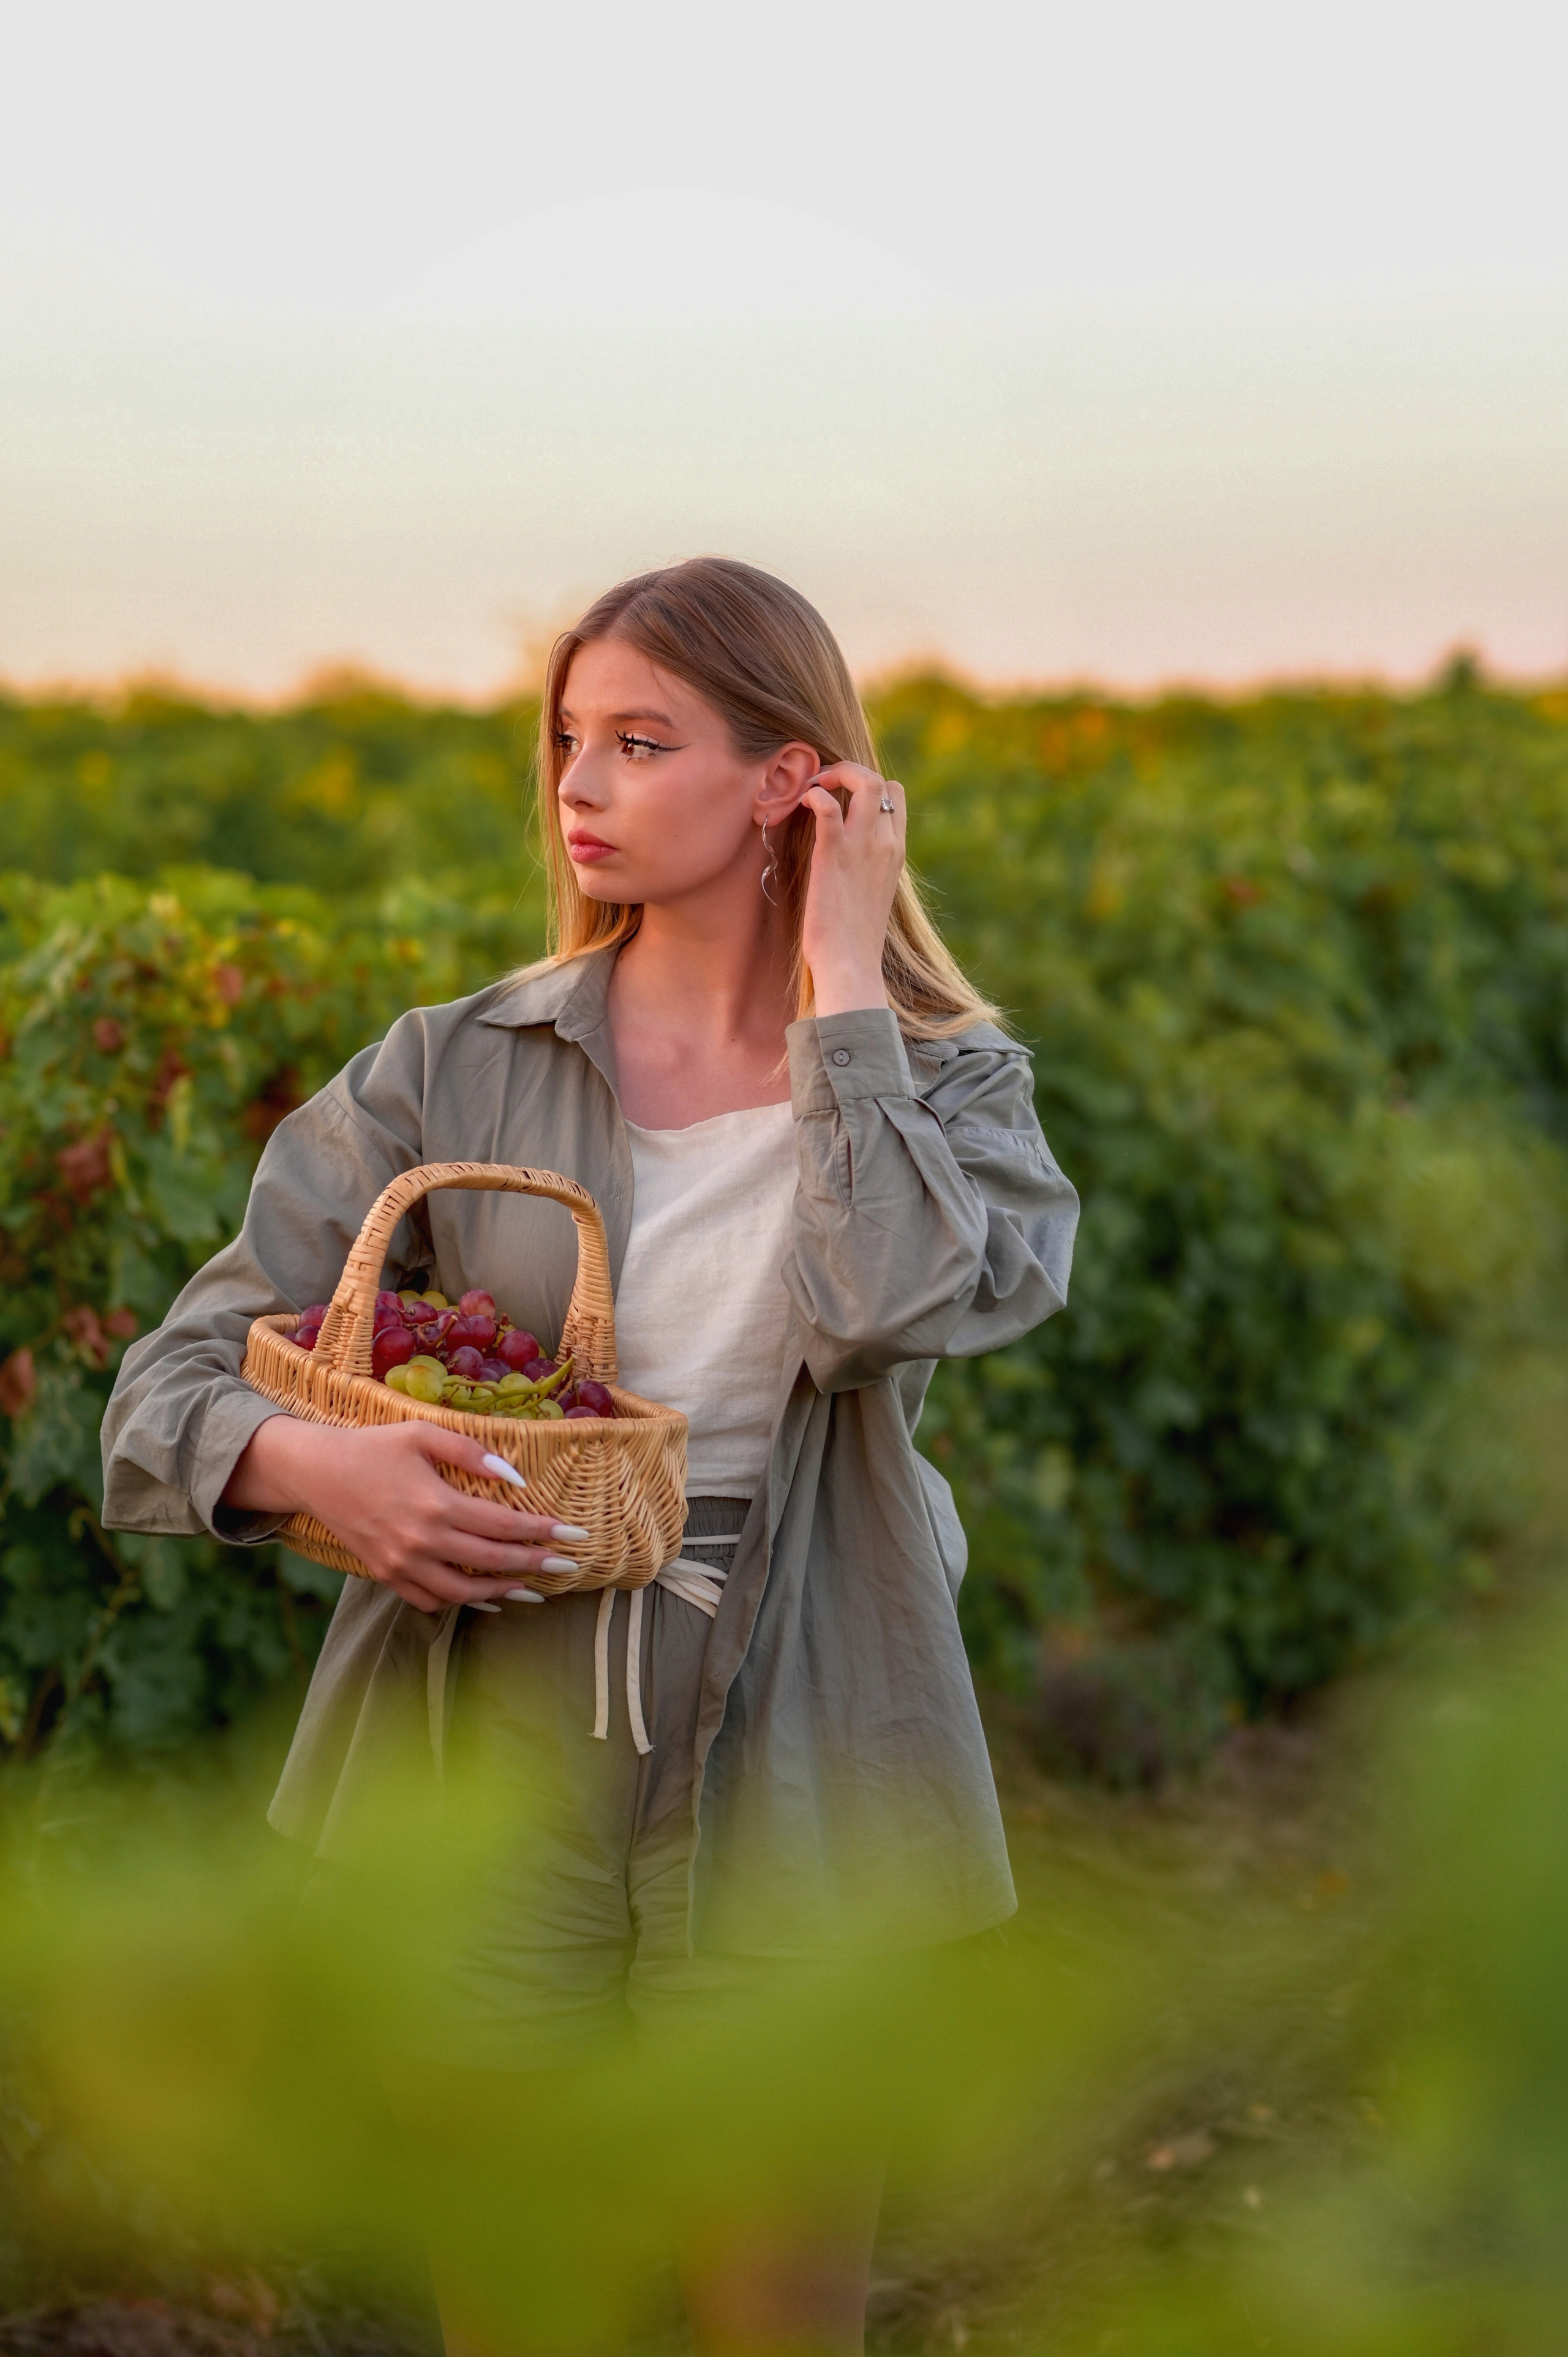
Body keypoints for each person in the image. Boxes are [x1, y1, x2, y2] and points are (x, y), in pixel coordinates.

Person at [102, 557, 1078, 2356]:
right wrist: (327, 1476)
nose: (577, 786)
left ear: (793, 780)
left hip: (811, 1696)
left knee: (777, 2312)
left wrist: (844, 991)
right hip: (495, 1707)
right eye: (569, 740)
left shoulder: (948, 1084)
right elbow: (167, 1388)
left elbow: (894, 1309)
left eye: (642, 742)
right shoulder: (448, 1068)